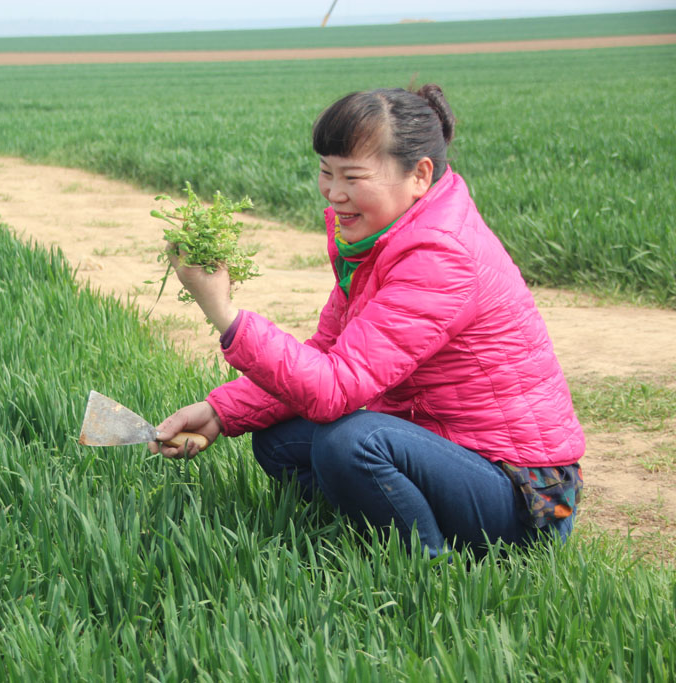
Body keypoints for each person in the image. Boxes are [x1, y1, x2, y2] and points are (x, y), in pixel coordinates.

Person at [148, 84, 584, 558]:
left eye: (353, 177)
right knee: (278, 442)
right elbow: (328, 352)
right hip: (451, 450)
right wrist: (221, 412)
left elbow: (335, 388)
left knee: (350, 441)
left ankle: (428, 574)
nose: (335, 193)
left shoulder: (440, 254)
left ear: (419, 175)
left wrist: (223, 313)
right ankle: (365, 539)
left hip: (526, 495)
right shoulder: (381, 240)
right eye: (325, 172)